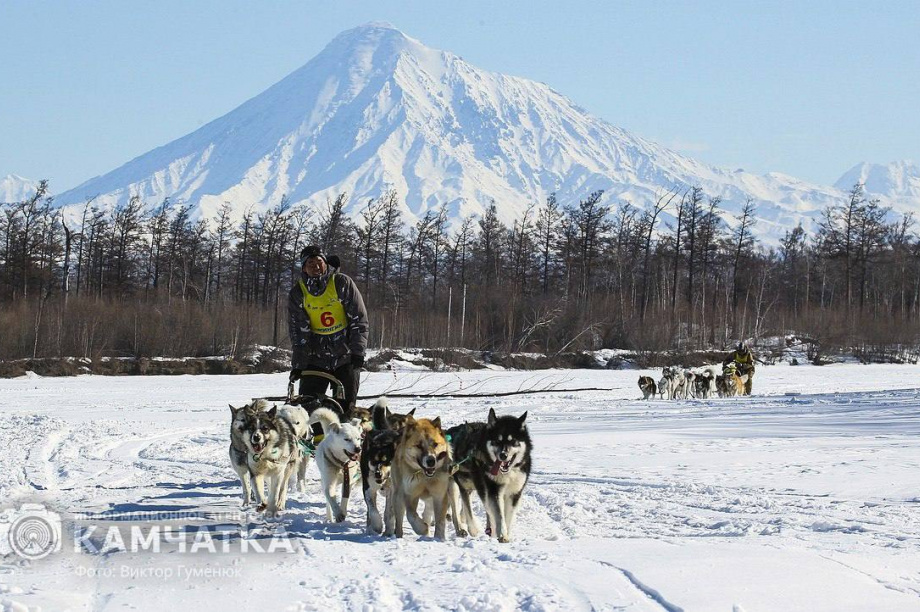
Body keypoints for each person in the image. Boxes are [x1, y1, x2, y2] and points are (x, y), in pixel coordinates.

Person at [288, 245, 368, 430]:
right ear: (303, 268)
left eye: (319, 262)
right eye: (310, 263)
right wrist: (298, 365)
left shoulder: (341, 283)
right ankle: (316, 447)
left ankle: (345, 447)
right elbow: (298, 332)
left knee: (346, 410)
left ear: (326, 264)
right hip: (315, 357)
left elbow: (359, 320)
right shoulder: (298, 293)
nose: (315, 267)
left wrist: (357, 352)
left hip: (345, 354)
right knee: (308, 407)